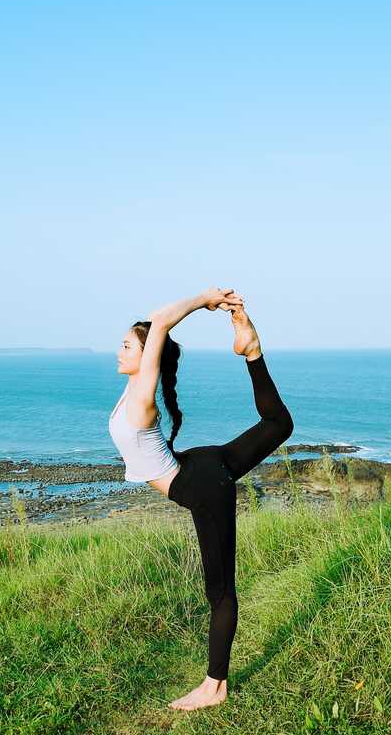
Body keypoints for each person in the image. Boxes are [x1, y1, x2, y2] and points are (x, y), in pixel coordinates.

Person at [109, 286, 294, 711]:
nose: (118, 351)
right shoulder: (132, 389)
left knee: (221, 592)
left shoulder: (141, 397)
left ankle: (215, 686)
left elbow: (160, 322)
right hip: (200, 465)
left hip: (204, 487)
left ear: (146, 356)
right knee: (278, 424)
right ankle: (251, 349)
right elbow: (155, 329)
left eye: (126, 345)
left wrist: (204, 298)